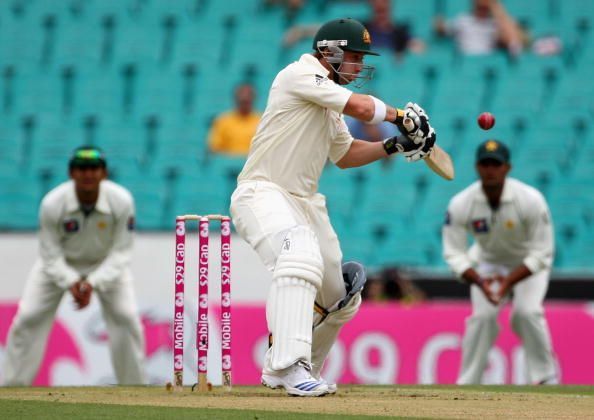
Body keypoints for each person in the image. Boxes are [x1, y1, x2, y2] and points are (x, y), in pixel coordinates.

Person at [230, 17, 436, 396]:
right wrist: (402, 118)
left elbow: (345, 154)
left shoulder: (330, 103)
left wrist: (395, 145)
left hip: (305, 203)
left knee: (341, 297)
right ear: (331, 52)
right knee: (299, 251)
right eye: (355, 57)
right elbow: (362, 107)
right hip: (264, 192)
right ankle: (290, 366)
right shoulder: (299, 75)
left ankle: (296, 372)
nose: (359, 67)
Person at [3, 146, 147, 386]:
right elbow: (50, 254)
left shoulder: (121, 201)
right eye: (81, 169)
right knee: (28, 317)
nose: (88, 174)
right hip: (59, 266)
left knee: (126, 317)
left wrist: (92, 282)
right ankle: (13, 388)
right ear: (71, 173)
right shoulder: (53, 203)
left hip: (106, 265)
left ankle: (136, 388)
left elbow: (121, 252)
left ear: (104, 173)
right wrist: (71, 281)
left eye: (93, 169)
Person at [442, 139, 558, 385]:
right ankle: (468, 382)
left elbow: (542, 252)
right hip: (487, 263)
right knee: (482, 318)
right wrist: (480, 280)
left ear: (507, 168)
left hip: (526, 264)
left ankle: (545, 378)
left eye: (496, 164)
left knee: (527, 313)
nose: (490, 170)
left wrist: (508, 281)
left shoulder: (530, 199)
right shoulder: (462, 202)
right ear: (476, 167)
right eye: (485, 164)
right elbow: (454, 253)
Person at [434, 0, 526, 56]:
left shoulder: (497, 23)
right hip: (465, 64)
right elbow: (441, 30)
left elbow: (515, 44)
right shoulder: (462, 20)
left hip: (488, 63)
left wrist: (495, 6)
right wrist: (439, 24)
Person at [207, 83, 261, 156]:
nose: (244, 104)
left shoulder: (262, 120)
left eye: (247, 101)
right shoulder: (223, 120)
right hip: (227, 165)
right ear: (236, 100)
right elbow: (214, 148)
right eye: (242, 101)